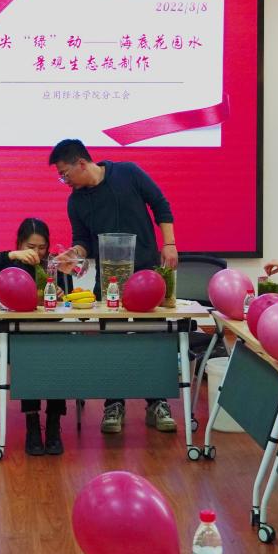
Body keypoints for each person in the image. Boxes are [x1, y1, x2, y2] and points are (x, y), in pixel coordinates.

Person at [48, 138, 177, 435]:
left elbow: (160, 204)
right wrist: (74, 254)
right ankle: (113, 404)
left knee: (151, 339)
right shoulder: (76, 201)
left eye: (65, 174)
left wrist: (169, 244)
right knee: (111, 339)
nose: (64, 181)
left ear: (82, 163)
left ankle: (157, 402)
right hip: (108, 280)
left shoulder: (128, 173)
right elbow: (83, 241)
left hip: (146, 274)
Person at [0, 217, 68, 455]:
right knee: (28, 355)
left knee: (59, 356)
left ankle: (54, 423)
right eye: (31, 247)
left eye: (42, 247)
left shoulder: (54, 265)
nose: (37, 252)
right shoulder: (12, 264)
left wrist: (60, 295)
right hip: (22, 334)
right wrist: (13, 255)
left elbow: (66, 305)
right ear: (20, 244)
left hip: (51, 332)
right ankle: (32, 423)